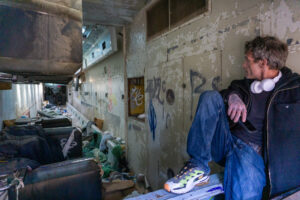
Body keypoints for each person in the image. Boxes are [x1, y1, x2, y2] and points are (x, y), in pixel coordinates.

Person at [164, 36, 300, 199]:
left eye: (247, 60)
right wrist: (232, 96)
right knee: (209, 96)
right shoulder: (245, 84)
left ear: (263, 63)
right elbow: (225, 93)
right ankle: (197, 167)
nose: (243, 65)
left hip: (251, 152)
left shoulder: (294, 88)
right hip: (226, 140)